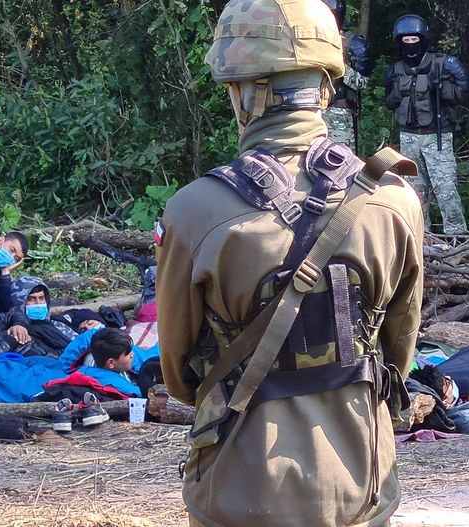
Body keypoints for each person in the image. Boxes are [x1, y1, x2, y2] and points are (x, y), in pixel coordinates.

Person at [156, 1, 424, 526]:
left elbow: (179, 373)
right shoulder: (395, 198)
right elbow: (400, 349)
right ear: (326, 85)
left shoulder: (194, 210)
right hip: (361, 483)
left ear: (245, 93)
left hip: (239, 482)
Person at [386, 14, 469, 235]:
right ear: (399, 41)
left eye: (414, 39)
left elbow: (464, 95)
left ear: (422, 39)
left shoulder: (444, 64)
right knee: (414, 190)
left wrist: (441, 87)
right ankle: (421, 237)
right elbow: (390, 101)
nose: (410, 44)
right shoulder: (396, 70)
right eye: (406, 40)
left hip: (438, 136)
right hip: (409, 137)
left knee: (446, 189)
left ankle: (456, 236)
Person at [321, 0, 373, 152]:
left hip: (339, 113)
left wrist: (340, 66)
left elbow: (362, 84)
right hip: (310, 110)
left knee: (340, 164)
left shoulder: (353, 43)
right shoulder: (310, 40)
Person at [11, 276, 78, 357]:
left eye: (41, 298)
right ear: (19, 302)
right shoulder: (22, 334)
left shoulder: (57, 324)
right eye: (31, 299)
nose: (38, 303)